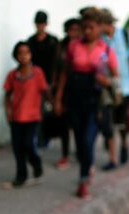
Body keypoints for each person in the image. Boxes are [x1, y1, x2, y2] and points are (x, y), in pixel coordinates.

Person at [54, 8, 119, 199]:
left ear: (99, 28)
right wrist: (58, 98)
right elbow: (65, 73)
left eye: (91, 27)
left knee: (88, 140)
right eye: (84, 27)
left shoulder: (106, 49)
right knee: (80, 141)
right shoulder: (73, 46)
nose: (87, 31)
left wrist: (106, 81)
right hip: (74, 99)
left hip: (95, 101)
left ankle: (83, 180)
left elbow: (115, 77)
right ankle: (86, 167)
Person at [3, 42, 48, 188]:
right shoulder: (12, 75)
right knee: (17, 148)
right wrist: (8, 112)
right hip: (16, 117)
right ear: (16, 55)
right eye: (20, 53)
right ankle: (20, 176)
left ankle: (37, 166)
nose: (24, 56)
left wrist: (52, 105)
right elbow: (7, 95)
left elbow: (45, 91)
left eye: (26, 52)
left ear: (31, 54)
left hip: (33, 116)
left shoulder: (38, 73)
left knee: (28, 144)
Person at [100, 8, 129, 169]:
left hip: (126, 87)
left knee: (122, 122)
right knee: (108, 123)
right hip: (106, 88)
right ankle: (113, 158)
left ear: (108, 23)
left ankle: (124, 143)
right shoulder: (100, 40)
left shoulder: (125, 35)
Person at [51, 17, 82, 170]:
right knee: (64, 123)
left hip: (79, 89)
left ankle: (80, 151)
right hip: (64, 89)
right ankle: (65, 155)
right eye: (71, 29)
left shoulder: (84, 45)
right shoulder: (61, 45)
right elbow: (57, 67)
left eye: (76, 30)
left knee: (78, 124)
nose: (73, 33)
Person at [27, 10, 59, 148]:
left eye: (42, 23)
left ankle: (46, 137)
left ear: (46, 24)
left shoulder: (53, 41)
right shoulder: (31, 41)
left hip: (49, 81)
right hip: (34, 82)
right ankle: (38, 138)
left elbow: (56, 63)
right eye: (38, 23)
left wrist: (53, 82)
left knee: (47, 112)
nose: (40, 26)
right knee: (36, 111)